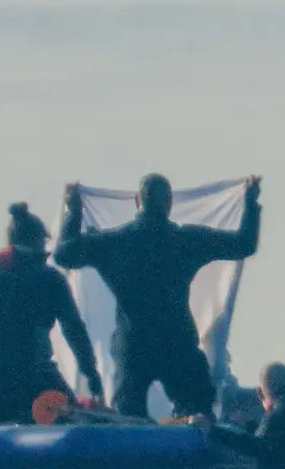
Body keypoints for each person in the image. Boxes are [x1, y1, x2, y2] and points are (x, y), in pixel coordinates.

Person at [54, 172, 262, 419]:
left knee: (128, 419)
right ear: (170, 203)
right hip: (176, 341)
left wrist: (73, 211)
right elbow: (244, 243)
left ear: (137, 201)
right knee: (198, 416)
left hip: (133, 344)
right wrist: (250, 201)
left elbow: (63, 255)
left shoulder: (114, 242)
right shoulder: (185, 241)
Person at [0, 202, 104, 425]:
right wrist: (92, 375)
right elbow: (73, 329)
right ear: (38, 242)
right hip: (31, 383)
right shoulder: (50, 279)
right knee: (74, 416)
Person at [211, 361, 285, 469]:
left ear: (260, 393)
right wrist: (249, 426)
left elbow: (256, 447)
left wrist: (213, 430)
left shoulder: (277, 416)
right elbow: (284, 437)